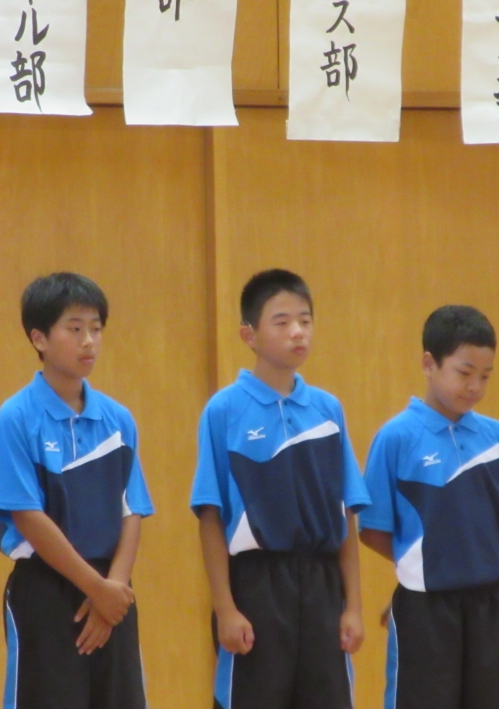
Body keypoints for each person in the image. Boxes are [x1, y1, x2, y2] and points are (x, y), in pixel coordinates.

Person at [190, 268, 370, 709]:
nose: (297, 332)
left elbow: (346, 513)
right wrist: (226, 608)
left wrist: (353, 606)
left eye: (305, 321)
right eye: (282, 321)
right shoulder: (224, 410)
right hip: (256, 587)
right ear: (249, 335)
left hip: (322, 586)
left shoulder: (328, 410)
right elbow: (210, 515)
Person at [0, 272, 153, 709]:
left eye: (96, 328)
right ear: (39, 338)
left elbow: (132, 509)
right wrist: (94, 588)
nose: (89, 341)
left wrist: (112, 588)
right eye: (75, 329)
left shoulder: (118, 419)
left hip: (114, 594)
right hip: (46, 590)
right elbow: (27, 515)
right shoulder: (16, 418)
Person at [359, 304, 499, 709]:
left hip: (491, 607)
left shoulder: (496, 438)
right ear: (429, 363)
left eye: (485, 376)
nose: (475, 387)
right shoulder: (395, 438)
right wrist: (425, 566)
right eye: (464, 373)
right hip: (426, 609)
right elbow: (373, 529)